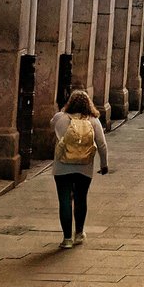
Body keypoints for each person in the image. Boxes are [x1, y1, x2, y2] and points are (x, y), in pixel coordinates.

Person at [51, 89, 108, 249]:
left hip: (62, 166)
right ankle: (79, 233)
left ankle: (67, 238)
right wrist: (104, 164)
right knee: (81, 198)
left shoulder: (59, 119)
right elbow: (102, 145)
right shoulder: (94, 121)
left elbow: (51, 128)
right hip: (84, 167)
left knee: (64, 200)